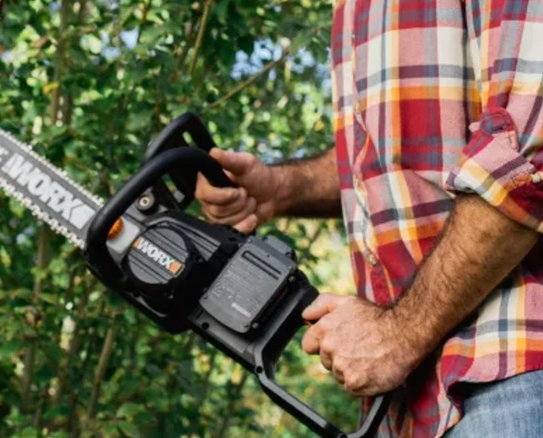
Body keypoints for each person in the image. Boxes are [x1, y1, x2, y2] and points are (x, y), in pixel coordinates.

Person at [195, 1, 543, 436]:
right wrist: (281, 187)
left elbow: (529, 156)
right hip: (411, 403)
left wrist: (399, 333)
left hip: (513, 372)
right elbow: (386, 161)